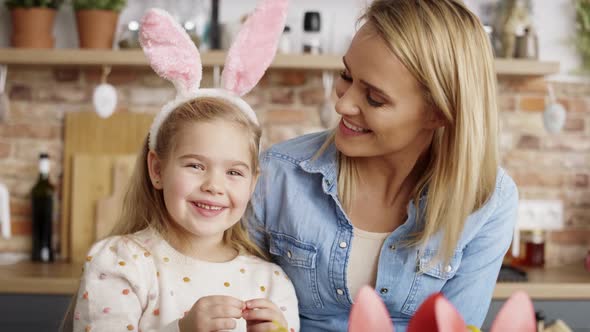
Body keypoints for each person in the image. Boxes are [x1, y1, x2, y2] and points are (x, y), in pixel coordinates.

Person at [248, 0, 518, 331]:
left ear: (438, 112)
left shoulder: (489, 201)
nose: (342, 103)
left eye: (375, 98)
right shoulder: (277, 175)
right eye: (346, 76)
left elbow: (457, 326)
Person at [68, 3, 299, 332]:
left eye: (234, 172)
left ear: (252, 182)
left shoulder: (272, 283)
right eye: (195, 165)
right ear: (157, 170)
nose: (214, 186)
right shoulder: (121, 262)